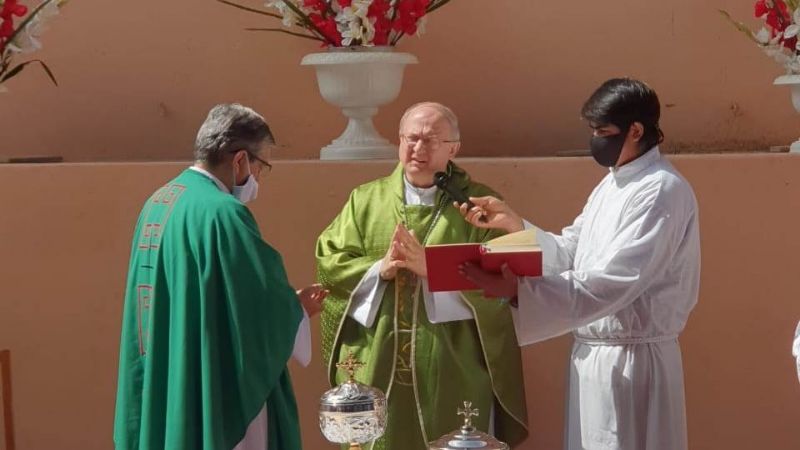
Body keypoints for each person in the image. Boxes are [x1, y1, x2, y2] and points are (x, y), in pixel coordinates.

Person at [458, 79, 701, 450]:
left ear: (636, 130)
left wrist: (521, 291)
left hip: (633, 362)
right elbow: (573, 252)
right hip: (593, 357)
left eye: (604, 132)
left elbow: (617, 280)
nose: (596, 141)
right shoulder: (613, 183)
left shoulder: (661, 190)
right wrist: (515, 225)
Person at [114, 103, 327, 450]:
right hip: (212, 380)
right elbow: (257, 304)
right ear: (240, 159)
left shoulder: (161, 200)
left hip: (169, 367)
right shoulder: (223, 213)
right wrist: (297, 310)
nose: (257, 179)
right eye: (261, 166)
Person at [316, 102, 528, 450]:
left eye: (431, 140)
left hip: (452, 364)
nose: (418, 149)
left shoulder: (479, 206)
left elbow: (507, 278)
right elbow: (330, 262)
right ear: (399, 140)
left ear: (453, 148)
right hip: (378, 359)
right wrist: (377, 270)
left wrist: (434, 270)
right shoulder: (365, 200)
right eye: (411, 138)